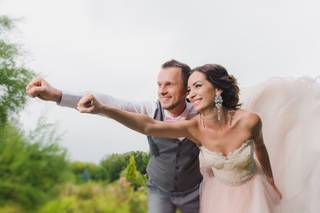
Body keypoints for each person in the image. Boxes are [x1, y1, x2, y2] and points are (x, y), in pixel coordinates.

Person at [77, 64, 282, 213]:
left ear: (218, 89)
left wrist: (271, 180)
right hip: (219, 197)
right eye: (189, 89)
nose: (191, 94)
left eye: (198, 86)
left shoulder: (250, 121)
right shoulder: (193, 128)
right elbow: (149, 126)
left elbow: (260, 149)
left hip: (254, 192)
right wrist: (103, 108)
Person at [26, 59, 202, 213]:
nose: (162, 91)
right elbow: (110, 102)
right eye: (159, 84)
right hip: (159, 190)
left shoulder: (202, 115)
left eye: (169, 84)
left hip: (194, 191)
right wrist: (58, 95)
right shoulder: (151, 110)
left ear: (187, 90)